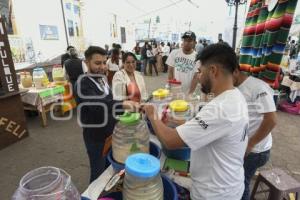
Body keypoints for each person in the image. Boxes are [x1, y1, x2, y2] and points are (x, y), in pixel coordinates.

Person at [143, 43, 249, 200]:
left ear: (213, 71)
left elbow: (170, 141)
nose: (198, 77)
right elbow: (212, 130)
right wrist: (178, 122)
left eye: (200, 71)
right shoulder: (235, 96)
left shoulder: (220, 108)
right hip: (228, 184)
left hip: (214, 193)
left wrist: (152, 114)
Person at [74, 46, 139, 183]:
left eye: (104, 62)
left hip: (110, 134)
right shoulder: (82, 83)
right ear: (86, 63)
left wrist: (125, 113)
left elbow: (109, 103)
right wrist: (122, 104)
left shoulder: (102, 79)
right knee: (97, 174)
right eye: (97, 63)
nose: (102, 67)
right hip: (95, 138)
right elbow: (98, 105)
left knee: (109, 169)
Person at [233, 67, 277, 200]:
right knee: (237, 181)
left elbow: (271, 120)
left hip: (256, 151)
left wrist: (251, 143)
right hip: (244, 146)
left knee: (241, 184)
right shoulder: (235, 88)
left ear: (235, 71)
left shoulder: (257, 87)